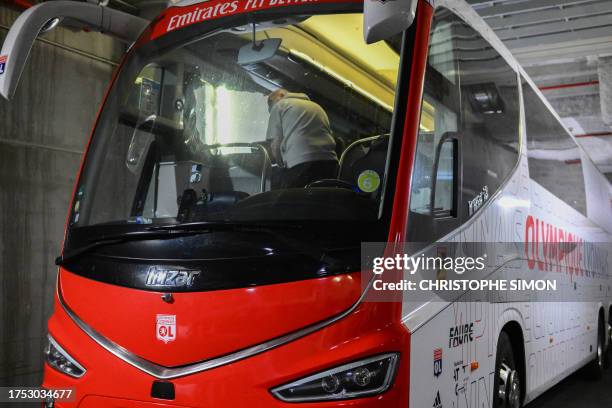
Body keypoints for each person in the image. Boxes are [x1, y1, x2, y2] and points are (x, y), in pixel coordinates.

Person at [266, 89, 339, 188]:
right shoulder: (317, 107)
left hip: (301, 164)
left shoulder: (280, 106)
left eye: (270, 104)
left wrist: (280, 166)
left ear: (281, 95)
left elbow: (275, 145)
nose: (271, 108)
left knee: (291, 199)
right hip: (331, 164)